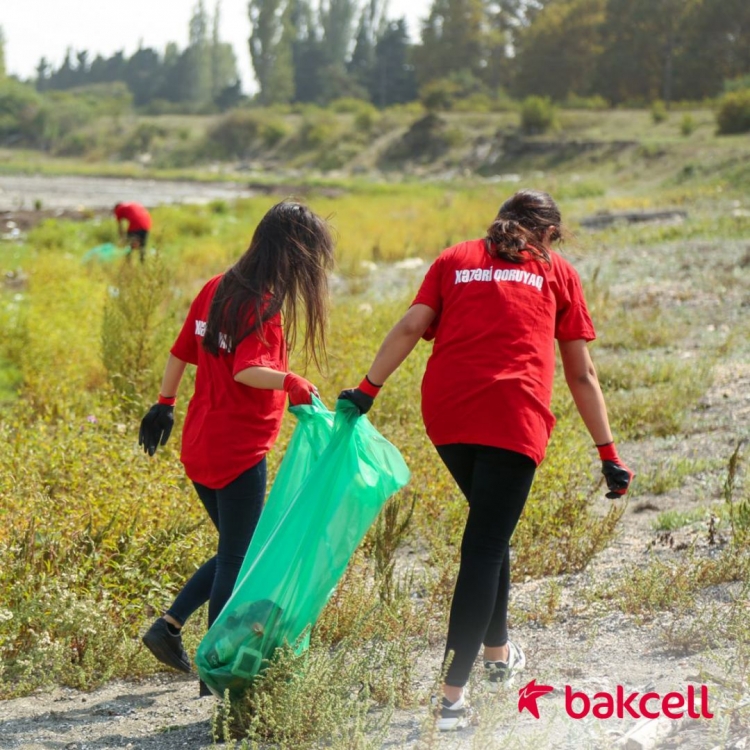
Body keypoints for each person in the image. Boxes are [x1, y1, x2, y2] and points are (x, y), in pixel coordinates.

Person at [338, 189, 633, 730]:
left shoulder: (455, 259)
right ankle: (451, 699)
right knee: (484, 547)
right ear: (545, 234)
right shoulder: (556, 272)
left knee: (491, 532)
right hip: (511, 418)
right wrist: (608, 453)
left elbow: (409, 326)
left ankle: (498, 656)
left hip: (448, 417)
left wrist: (366, 390)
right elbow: (582, 374)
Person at [138, 201, 334, 695]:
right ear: (292, 252)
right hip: (238, 451)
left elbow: (180, 350)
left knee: (236, 551)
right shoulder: (261, 303)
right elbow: (249, 369)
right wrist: (291, 379)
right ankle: (216, 669)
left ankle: (169, 628)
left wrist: (164, 403)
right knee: (237, 560)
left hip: (200, 445)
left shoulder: (215, 286)